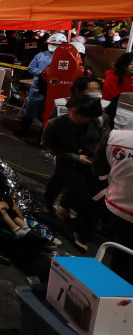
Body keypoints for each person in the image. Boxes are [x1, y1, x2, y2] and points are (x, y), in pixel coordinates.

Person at [42, 94, 108, 252]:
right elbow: (48, 146)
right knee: (83, 197)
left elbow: (106, 139)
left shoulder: (100, 120)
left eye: (81, 116)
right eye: (73, 112)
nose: (75, 117)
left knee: (98, 199)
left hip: (93, 165)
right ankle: (73, 227)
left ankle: (82, 232)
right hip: (68, 165)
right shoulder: (56, 124)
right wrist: (76, 158)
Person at [93, 127, 133, 282]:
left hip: (117, 208)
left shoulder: (115, 136)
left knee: (120, 250)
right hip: (118, 208)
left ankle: (114, 291)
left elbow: (98, 169)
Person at [15, 33, 67, 136]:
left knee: (50, 112)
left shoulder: (65, 58)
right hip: (37, 88)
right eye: (53, 44)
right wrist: (43, 72)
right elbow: (31, 68)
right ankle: (24, 129)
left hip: (54, 89)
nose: (54, 46)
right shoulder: (40, 55)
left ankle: (44, 134)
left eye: (57, 45)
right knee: (31, 109)